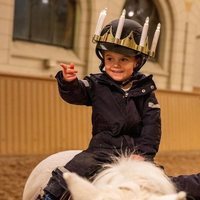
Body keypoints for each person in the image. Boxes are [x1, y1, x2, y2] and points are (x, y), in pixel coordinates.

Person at [38, 15, 161, 200]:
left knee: (160, 182)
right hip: (101, 150)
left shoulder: (146, 92)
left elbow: (152, 127)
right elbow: (77, 94)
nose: (115, 65)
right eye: (110, 58)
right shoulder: (96, 84)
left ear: (137, 62)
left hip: (135, 153)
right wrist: (68, 82)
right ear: (103, 59)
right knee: (68, 174)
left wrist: (143, 154)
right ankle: (48, 197)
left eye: (124, 60)